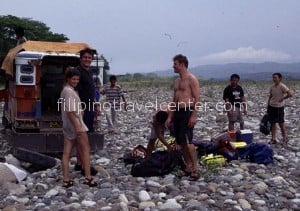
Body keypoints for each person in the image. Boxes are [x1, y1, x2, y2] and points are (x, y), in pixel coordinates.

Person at [60, 67, 97, 187]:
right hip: (77, 125)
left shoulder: (65, 90)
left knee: (66, 153)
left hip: (68, 126)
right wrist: (77, 127)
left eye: (77, 79)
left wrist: (80, 110)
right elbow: (70, 111)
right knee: (85, 150)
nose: (76, 81)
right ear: (68, 79)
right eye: (73, 79)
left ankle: (66, 179)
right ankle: (88, 177)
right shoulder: (69, 91)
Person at [165, 54, 200, 181]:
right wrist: (170, 117)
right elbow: (174, 100)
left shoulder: (191, 79)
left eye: (175, 64)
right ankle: (188, 166)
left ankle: (195, 168)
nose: (173, 66)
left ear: (182, 64)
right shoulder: (176, 81)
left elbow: (197, 98)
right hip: (178, 112)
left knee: (188, 142)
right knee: (181, 142)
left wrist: (193, 115)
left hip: (187, 111)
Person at [75, 48, 97, 175]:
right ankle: (84, 166)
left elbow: (90, 90)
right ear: (81, 58)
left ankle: (79, 163)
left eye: (89, 58)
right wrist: (79, 108)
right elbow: (75, 91)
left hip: (89, 107)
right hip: (82, 109)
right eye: (85, 57)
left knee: (82, 136)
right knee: (83, 138)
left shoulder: (88, 72)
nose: (87, 59)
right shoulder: (78, 71)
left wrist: (95, 104)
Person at [267, 72, 293, 145]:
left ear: (280, 78)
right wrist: (268, 104)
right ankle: (273, 139)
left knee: (281, 123)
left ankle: (284, 138)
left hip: (279, 107)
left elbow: (290, 94)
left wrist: (283, 98)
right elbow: (270, 96)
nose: (274, 79)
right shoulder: (272, 86)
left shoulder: (282, 86)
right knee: (272, 123)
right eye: (273, 77)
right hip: (271, 106)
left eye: (275, 77)